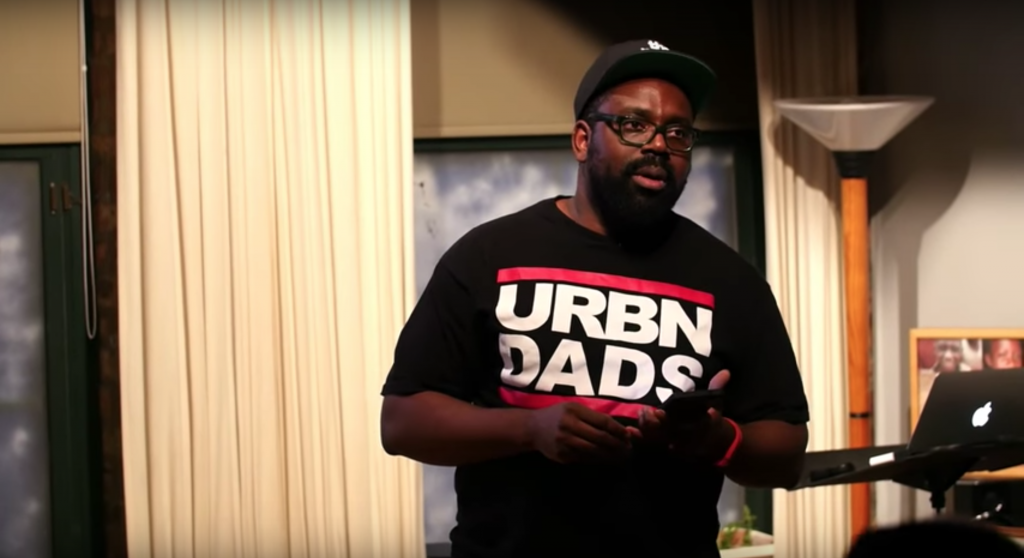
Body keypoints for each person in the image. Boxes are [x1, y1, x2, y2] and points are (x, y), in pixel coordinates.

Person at [380, 39, 810, 558]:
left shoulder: (732, 282)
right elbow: (402, 422)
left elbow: (787, 452)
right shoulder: (489, 254)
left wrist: (717, 443)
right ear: (583, 140)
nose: (659, 144)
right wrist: (529, 428)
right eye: (633, 124)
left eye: (678, 133)